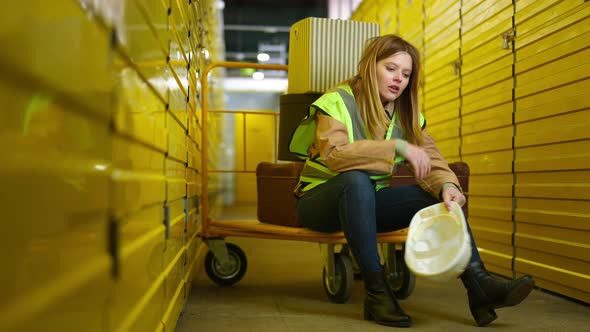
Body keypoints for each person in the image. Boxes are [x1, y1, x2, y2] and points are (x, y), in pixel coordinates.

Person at [290, 34, 535, 328]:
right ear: (370, 66)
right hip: (319, 203)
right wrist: (396, 148)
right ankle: (377, 293)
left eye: (406, 74)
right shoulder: (337, 101)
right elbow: (334, 155)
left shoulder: (406, 113)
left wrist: (448, 186)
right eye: (391, 69)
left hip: (366, 205)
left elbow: (431, 159)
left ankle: (479, 286)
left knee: (437, 197)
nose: (399, 80)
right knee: (355, 181)